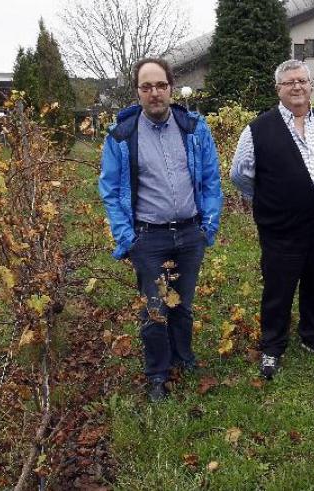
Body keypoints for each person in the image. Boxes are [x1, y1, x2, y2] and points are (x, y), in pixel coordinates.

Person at [99, 58, 222, 401]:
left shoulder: (193, 128)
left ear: (171, 87)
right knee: (154, 308)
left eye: (160, 86)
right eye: (146, 87)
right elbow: (109, 190)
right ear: (137, 91)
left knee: (181, 304)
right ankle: (157, 372)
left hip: (189, 234)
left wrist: (208, 224)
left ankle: (184, 358)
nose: (154, 93)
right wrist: (129, 239)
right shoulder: (122, 135)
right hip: (148, 237)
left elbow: (211, 180)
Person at [230, 59, 314, 379]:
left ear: (311, 85)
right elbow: (240, 175)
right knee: (278, 288)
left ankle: (313, 334)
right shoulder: (258, 129)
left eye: (302, 81)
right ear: (278, 89)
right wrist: (273, 199)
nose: (296, 87)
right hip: (281, 226)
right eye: (289, 82)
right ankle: (272, 346)